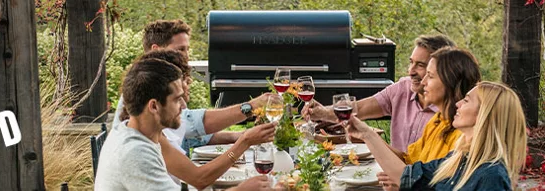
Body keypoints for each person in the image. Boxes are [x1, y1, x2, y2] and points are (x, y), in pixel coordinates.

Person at [95, 58, 269, 190]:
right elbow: (198, 179)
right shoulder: (135, 153)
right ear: (154, 106)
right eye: (177, 99)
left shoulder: (138, 132)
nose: (183, 106)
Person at [112, 20, 275, 155]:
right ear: (156, 50)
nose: (187, 56)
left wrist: (239, 135)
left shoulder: (164, 82)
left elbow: (186, 134)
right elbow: (192, 122)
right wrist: (250, 107)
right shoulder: (146, 86)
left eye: (187, 49)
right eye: (180, 50)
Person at [348, 81, 528, 190]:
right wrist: (366, 134)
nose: (458, 104)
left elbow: (404, 176)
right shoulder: (460, 159)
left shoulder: (491, 176)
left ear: (485, 115)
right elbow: (406, 176)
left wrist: (367, 134)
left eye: (466, 100)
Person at [303, 35, 456, 155]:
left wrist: (367, 135)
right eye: (411, 63)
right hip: (393, 174)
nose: (411, 71)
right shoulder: (402, 88)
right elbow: (358, 109)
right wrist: (323, 112)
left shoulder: (454, 113)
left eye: (420, 65)